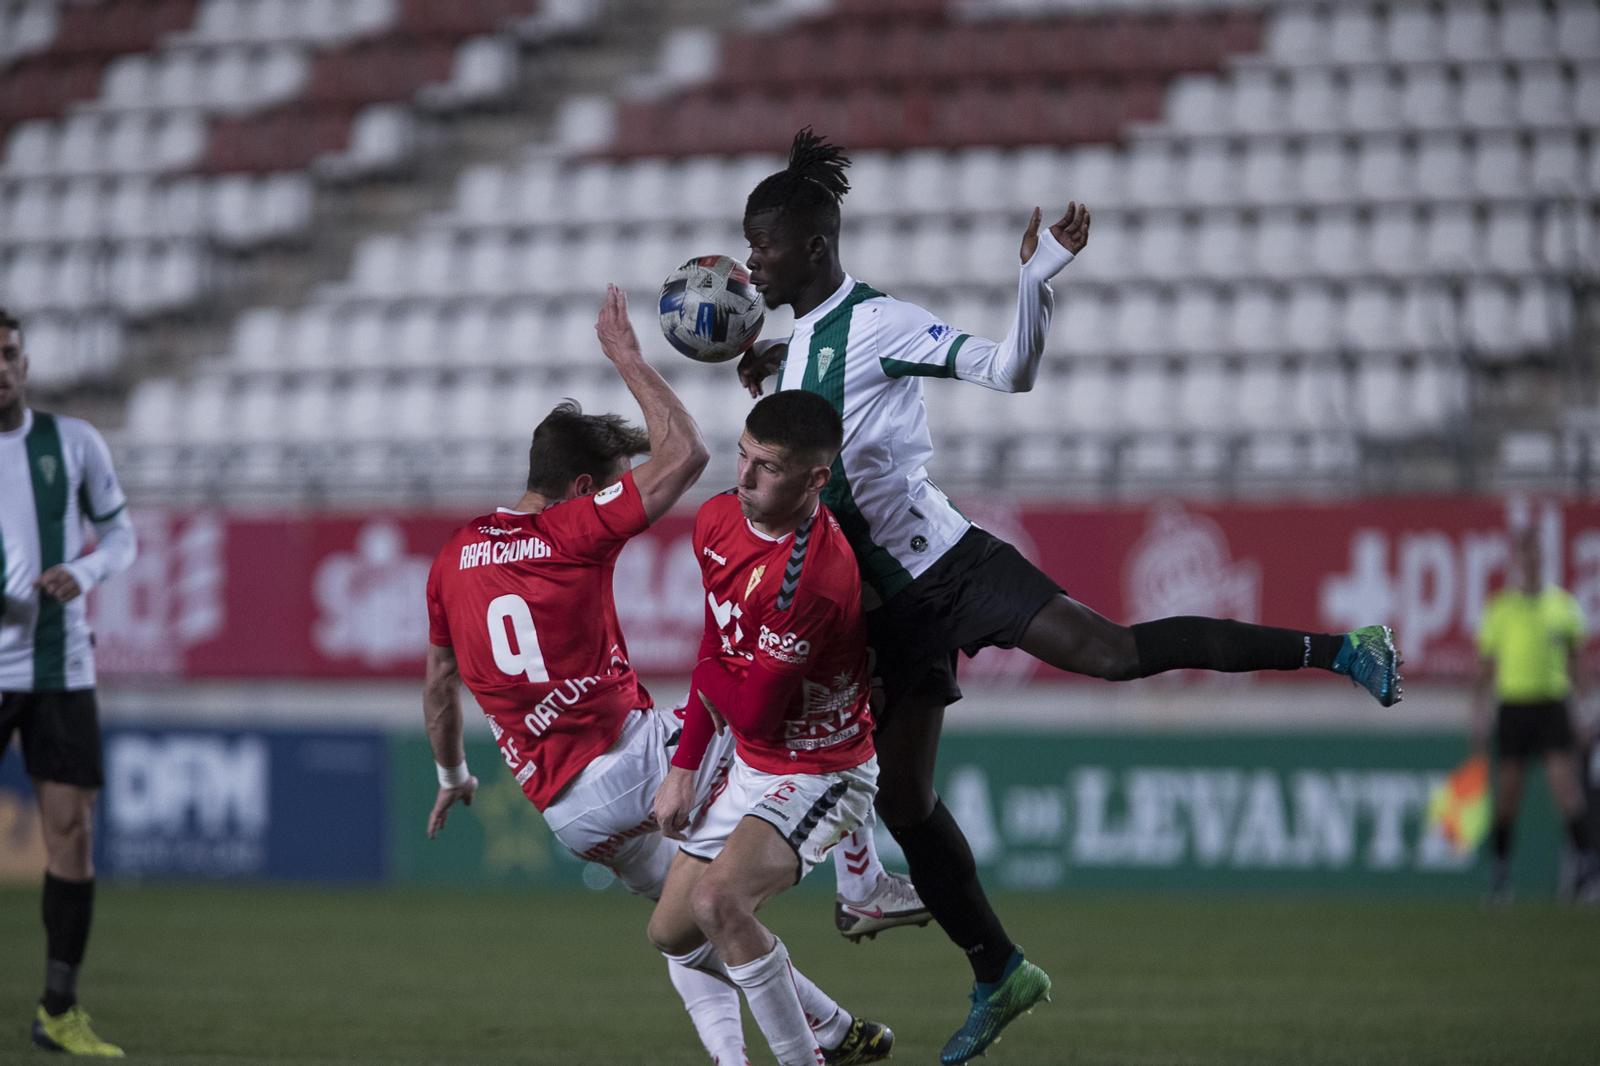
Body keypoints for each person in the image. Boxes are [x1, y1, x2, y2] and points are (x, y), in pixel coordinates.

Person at [732, 129, 1405, 1064]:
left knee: (1113, 653)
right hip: (883, 610)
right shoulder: (802, 344)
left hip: (947, 566)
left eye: (761, 245)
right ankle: (999, 970)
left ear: (812, 246)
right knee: (909, 797)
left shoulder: (877, 324)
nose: (749, 261)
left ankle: (1341, 649)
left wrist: (1035, 283)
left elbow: (1012, 370)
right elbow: (816, 424)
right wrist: (769, 373)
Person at [422, 287, 895, 1065]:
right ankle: (863, 881)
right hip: (632, 754)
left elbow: (440, 684)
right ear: (584, 491)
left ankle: (823, 1035)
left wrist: (451, 772)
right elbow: (689, 457)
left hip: (564, 809)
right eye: (613, 480)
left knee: (686, 926)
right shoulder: (569, 529)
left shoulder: (451, 557)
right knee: (787, 732)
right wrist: (630, 361)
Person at [649, 389, 887, 1066]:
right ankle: (838, 1035)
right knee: (672, 933)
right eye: (743, 456)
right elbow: (716, 645)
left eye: (769, 467)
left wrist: (717, 676)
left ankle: (803, 1057)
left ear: (816, 479)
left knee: (721, 902)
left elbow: (751, 707)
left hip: (823, 769)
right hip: (753, 765)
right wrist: (684, 766)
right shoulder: (718, 519)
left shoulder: (815, 574)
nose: (745, 478)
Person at [0, 307, 137, 1057]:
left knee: (72, 833)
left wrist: (80, 572)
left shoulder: (73, 442)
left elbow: (121, 534)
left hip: (59, 664)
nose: (1, 368)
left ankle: (58, 1008)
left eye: (10, 354)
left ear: (24, 362)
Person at [1474, 527, 1599, 903]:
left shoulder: (1562, 606)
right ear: (1516, 560)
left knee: (1567, 791)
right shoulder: (1500, 608)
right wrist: (1478, 712)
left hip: (1551, 705)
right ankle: (1499, 877)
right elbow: (1485, 667)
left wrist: (1586, 708)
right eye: (1524, 556)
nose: (1530, 563)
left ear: (1543, 559)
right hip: (1513, 705)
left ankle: (1587, 873)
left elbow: (1578, 664)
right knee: (1508, 795)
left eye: (1535, 556)